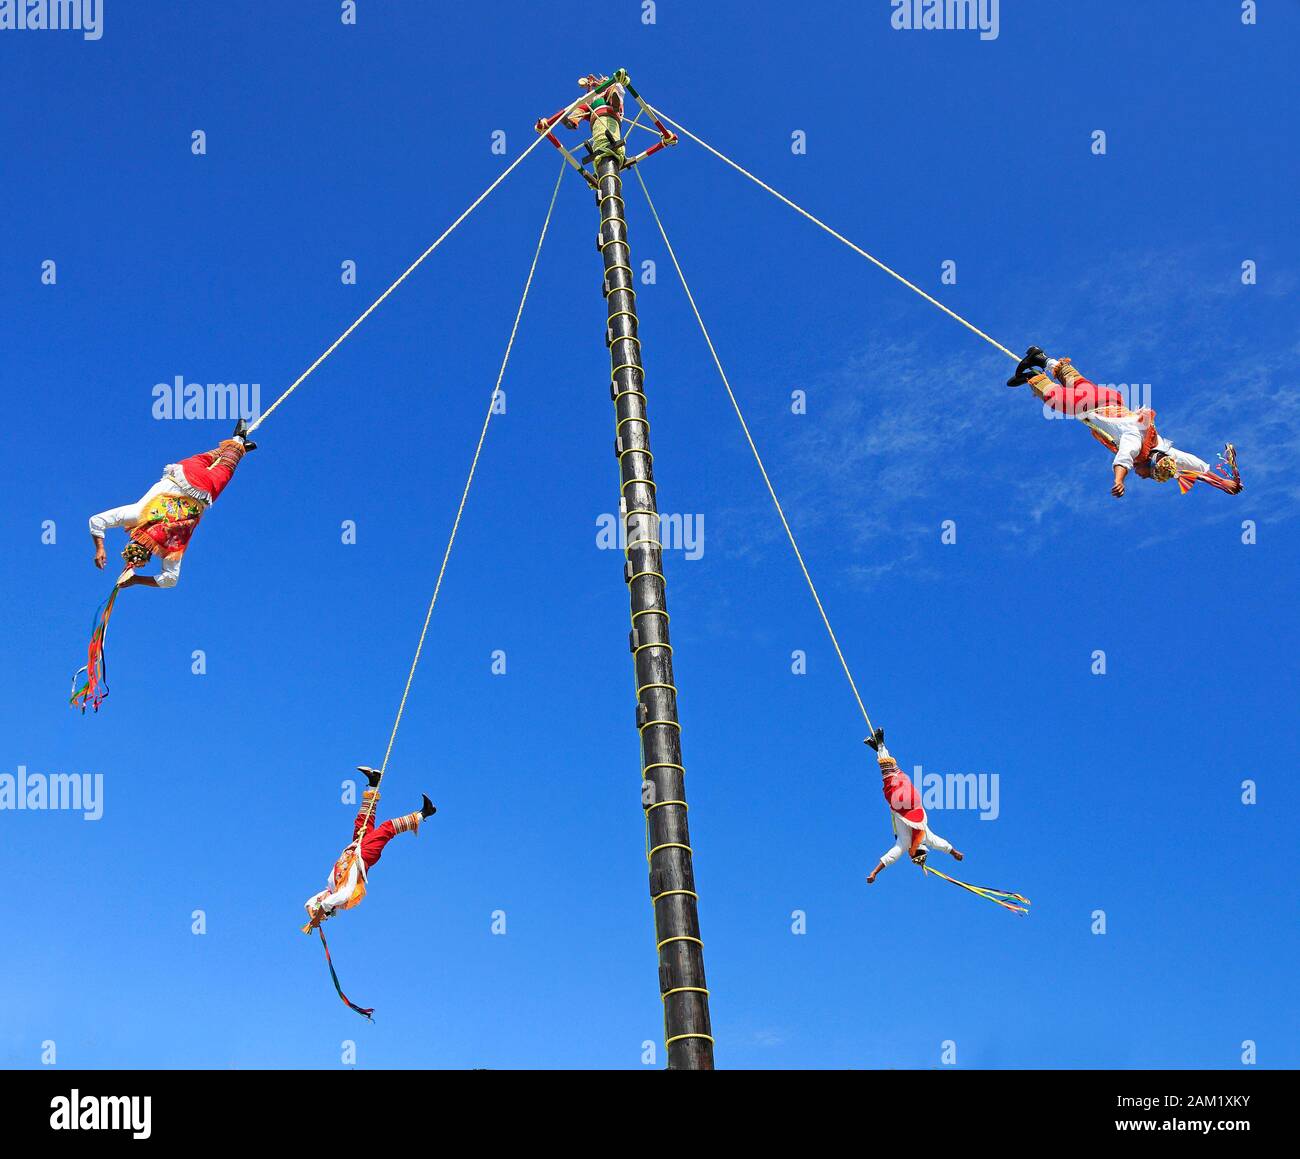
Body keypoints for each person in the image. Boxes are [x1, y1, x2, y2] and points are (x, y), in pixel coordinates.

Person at [1007, 347, 1241, 497]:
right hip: (1092, 405)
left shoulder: (1162, 449)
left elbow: (1194, 466)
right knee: (1057, 400)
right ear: (1148, 465)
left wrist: (1222, 482)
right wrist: (1119, 481)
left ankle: (1041, 357)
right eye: (1146, 475)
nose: (1142, 477)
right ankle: (1030, 375)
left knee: (1076, 381)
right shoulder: (1136, 444)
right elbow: (1124, 459)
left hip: (1110, 398)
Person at [87, 418, 256, 589]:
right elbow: (97, 521)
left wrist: (136, 580)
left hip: (204, 491)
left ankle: (238, 447)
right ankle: (237, 444)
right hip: (184, 473)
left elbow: (170, 579)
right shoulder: (137, 516)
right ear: (134, 538)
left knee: (226, 467)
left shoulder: (170, 550)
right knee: (211, 457)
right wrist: (100, 549)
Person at [303, 767, 437, 930]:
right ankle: (423, 814)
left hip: (356, 847)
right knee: (387, 828)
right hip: (364, 855)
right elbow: (327, 903)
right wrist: (318, 918)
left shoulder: (330, 886)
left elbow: (309, 903)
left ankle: (373, 782)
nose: (319, 900)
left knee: (362, 821)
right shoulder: (344, 894)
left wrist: (313, 919)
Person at [863, 730, 964, 885]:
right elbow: (891, 856)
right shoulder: (906, 842)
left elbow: (942, 844)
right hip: (900, 802)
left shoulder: (926, 837)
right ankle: (880, 744)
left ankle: (879, 747)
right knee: (889, 775)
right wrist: (874, 872)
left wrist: (954, 852)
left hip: (913, 797)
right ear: (913, 852)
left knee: (896, 772)